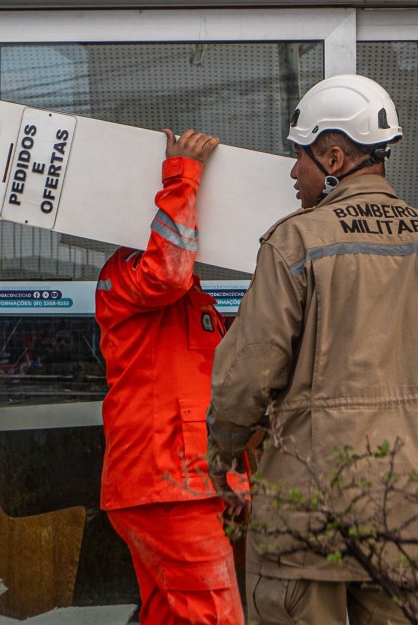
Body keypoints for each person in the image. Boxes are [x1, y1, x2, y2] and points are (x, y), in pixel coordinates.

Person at [206, 74, 418, 624]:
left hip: (312, 519)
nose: (294, 172)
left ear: (335, 158)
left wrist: (221, 457)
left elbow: (247, 374)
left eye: (299, 157)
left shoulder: (295, 243)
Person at [95, 128, 245, 624]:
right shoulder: (125, 276)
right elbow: (166, 271)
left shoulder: (194, 300)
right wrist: (182, 174)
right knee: (213, 617)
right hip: (167, 485)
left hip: (178, 484)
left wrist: (234, 478)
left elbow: (210, 397)